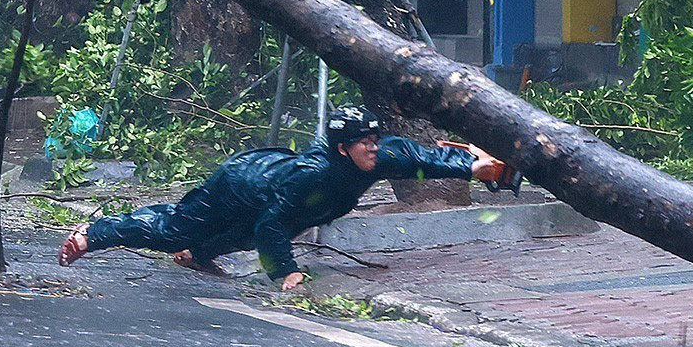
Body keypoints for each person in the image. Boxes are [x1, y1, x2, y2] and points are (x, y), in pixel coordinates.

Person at [57, 106, 510, 290]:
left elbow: (417, 156)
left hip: (269, 198)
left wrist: (472, 167)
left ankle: (196, 255)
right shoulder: (313, 177)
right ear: (341, 149)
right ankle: (92, 234)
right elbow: (271, 227)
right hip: (240, 183)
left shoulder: (374, 158)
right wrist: (286, 273)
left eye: (374, 140)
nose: (374, 148)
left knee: (243, 236)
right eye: (364, 142)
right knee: (172, 229)